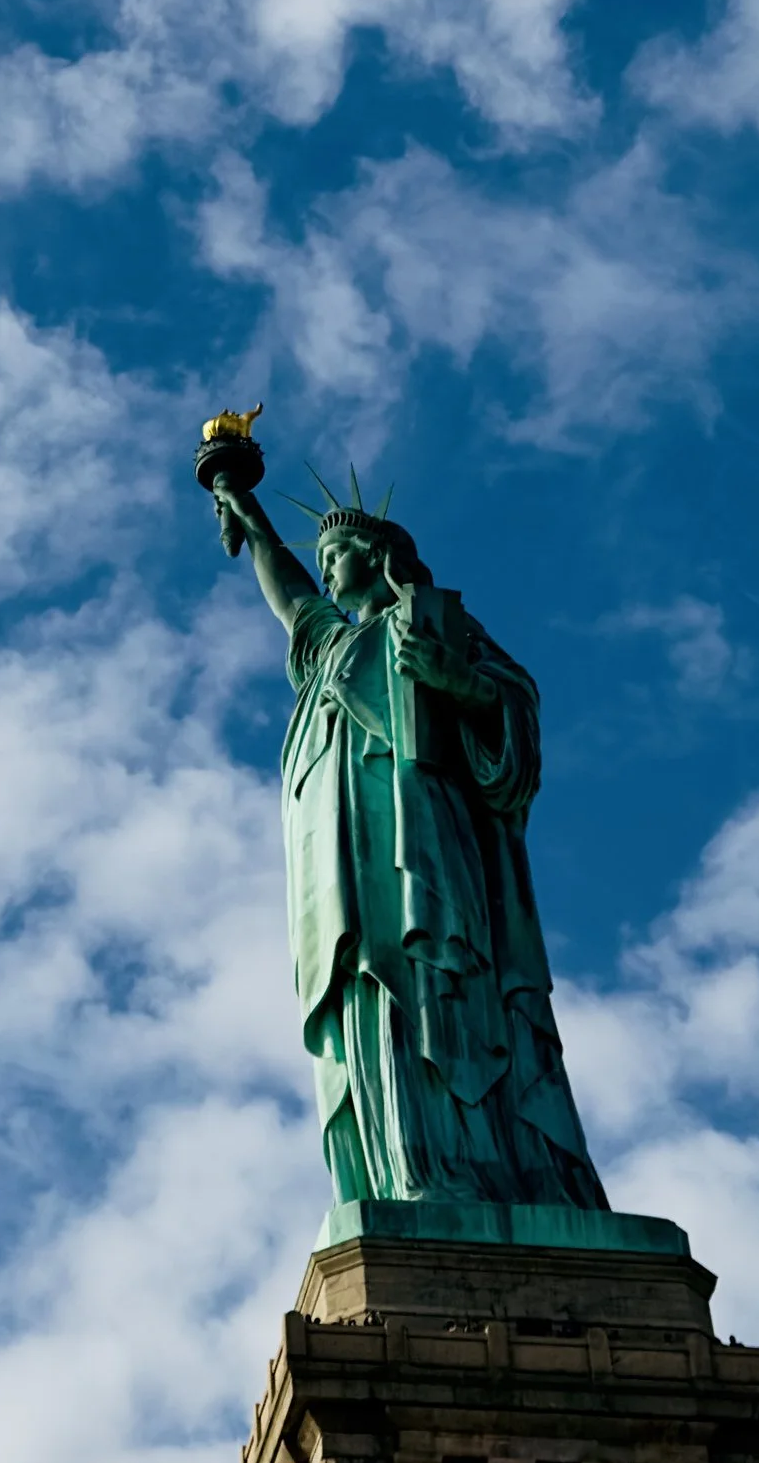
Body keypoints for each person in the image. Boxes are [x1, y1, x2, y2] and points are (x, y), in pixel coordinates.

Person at [211, 469, 608, 1217]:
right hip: (345, 873)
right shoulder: (333, 646)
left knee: (438, 990)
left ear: (384, 556)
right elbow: (292, 600)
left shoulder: (430, 626)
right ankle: (403, 1168)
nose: (328, 569)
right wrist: (248, 514)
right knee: (370, 992)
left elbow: (513, 707)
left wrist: (460, 684)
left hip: (425, 850)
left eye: (341, 553)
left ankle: (487, 1170)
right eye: (324, 560)